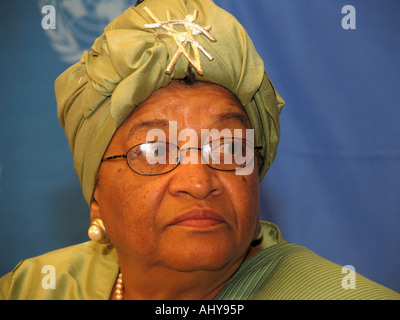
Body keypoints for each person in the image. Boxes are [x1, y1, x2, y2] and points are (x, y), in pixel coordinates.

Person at [0, 0, 399, 300]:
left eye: (227, 147)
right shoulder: (34, 288)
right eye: (155, 151)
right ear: (96, 196)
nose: (197, 180)